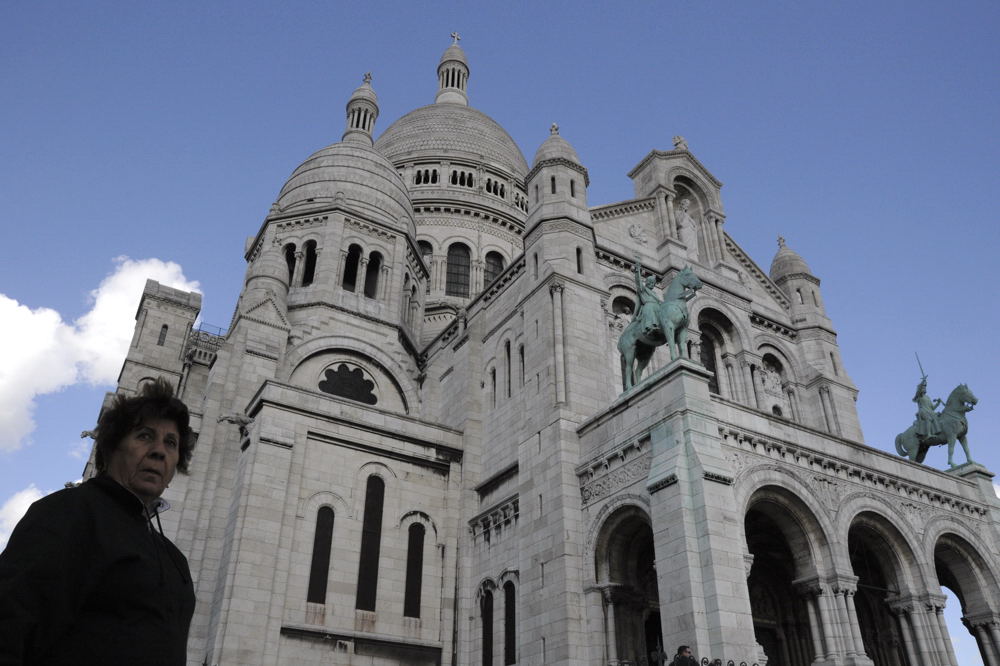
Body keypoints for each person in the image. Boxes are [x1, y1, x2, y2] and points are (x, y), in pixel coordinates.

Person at [0, 378, 196, 664]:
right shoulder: (68, 512)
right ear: (111, 447)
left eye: (171, 443)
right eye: (144, 436)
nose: (159, 451)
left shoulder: (173, 557)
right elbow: (10, 623)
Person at [913, 375, 942, 440]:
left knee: (937, 417)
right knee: (928, 419)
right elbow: (918, 390)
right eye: (923, 388)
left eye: (925, 388)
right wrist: (923, 382)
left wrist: (938, 403)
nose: (924, 389)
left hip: (930, 411)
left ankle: (936, 431)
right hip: (923, 411)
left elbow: (933, 407)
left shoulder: (928, 397)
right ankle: (928, 434)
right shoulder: (919, 397)